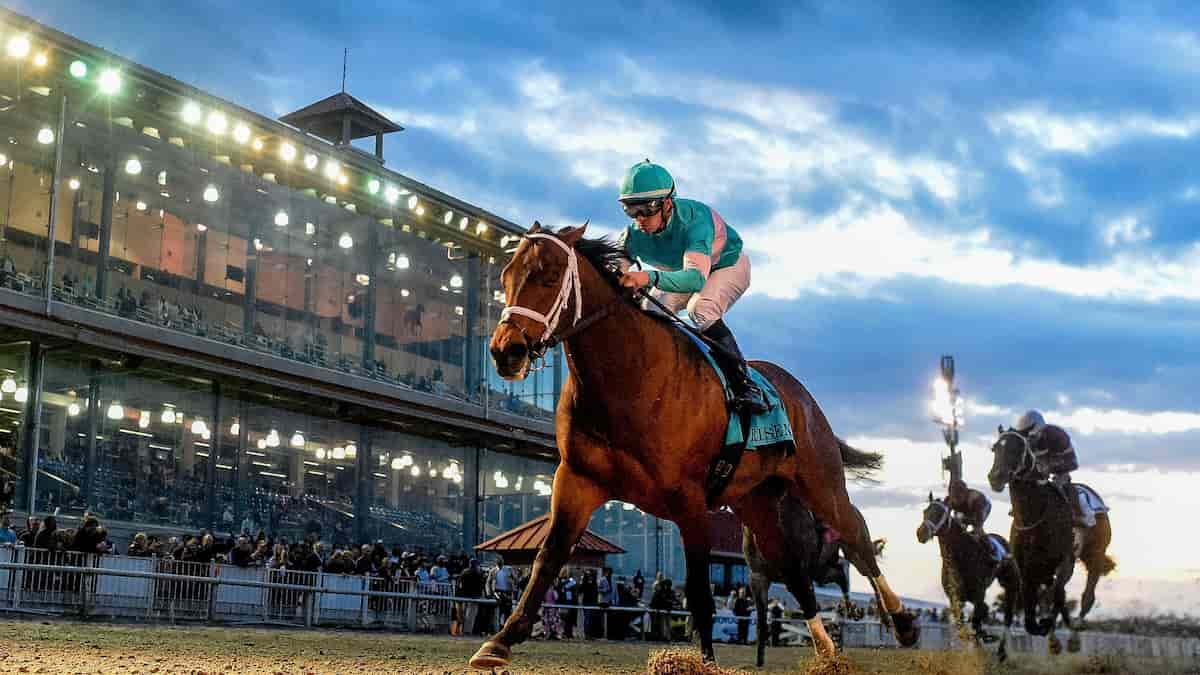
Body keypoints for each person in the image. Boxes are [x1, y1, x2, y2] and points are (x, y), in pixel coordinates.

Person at [616, 160, 769, 415]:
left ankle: (745, 385)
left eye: (646, 209)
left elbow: (695, 279)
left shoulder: (695, 222)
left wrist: (647, 278)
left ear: (667, 204)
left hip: (725, 266)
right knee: (651, 309)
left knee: (701, 309)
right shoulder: (632, 235)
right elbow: (614, 273)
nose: (640, 219)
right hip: (681, 270)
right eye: (631, 211)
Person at [1013, 410, 1093, 527]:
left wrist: (1049, 467)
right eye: (1026, 436)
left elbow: (1070, 461)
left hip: (1063, 465)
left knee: (1061, 484)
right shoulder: (1026, 441)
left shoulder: (1057, 435)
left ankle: (1078, 513)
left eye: (1032, 435)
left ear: (1040, 429)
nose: (1030, 439)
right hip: (1042, 467)